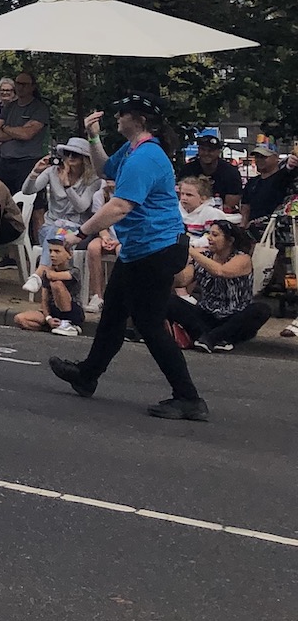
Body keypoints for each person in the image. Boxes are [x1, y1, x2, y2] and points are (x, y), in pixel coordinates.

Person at [50, 93, 207, 421]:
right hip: (140, 249)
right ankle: (87, 375)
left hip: (156, 249)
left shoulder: (146, 157)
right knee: (113, 314)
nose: (117, 118)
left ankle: (189, 398)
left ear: (140, 120)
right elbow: (105, 169)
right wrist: (93, 138)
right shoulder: (133, 150)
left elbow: (120, 206)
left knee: (149, 324)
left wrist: (80, 234)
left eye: (123, 114)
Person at [169, 217, 279, 353]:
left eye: (215, 235)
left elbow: (221, 271)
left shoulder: (242, 258)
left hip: (234, 316)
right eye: (209, 234)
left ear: (230, 240)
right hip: (207, 313)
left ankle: (211, 338)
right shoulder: (204, 257)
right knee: (169, 301)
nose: (209, 238)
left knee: (261, 309)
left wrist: (192, 251)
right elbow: (182, 281)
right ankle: (212, 339)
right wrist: (176, 261)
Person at [21, 138, 103, 294]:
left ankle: (39, 274)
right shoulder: (53, 171)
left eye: (75, 155)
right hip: (50, 227)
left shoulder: (93, 180)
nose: (70, 157)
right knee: (57, 228)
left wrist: (67, 185)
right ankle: (54, 281)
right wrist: (35, 172)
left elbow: (81, 206)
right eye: (67, 153)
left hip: (78, 231)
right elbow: (27, 191)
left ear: (85, 159)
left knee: (58, 229)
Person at [0, 70, 52, 193]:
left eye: (24, 84)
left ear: (32, 87)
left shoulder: (39, 108)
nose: (20, 87)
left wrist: (5, 128)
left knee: (30, 198)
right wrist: (18, 132)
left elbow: (27, 134)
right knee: (4, 197)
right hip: (6, 162)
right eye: (17, 83)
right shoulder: (9, 107)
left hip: (28, 162)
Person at [14, 242, 82, 336]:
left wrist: (44, 265)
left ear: (69, 255)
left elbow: (53, 276)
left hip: (72, 311)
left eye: (57, 251)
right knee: (20, 319)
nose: (52, 255)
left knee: (56, 284)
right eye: (50, 251)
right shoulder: (47, 273)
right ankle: (52, 326)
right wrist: (48, 318)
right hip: (53, 311)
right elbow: (44, 300)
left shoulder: (74, 271)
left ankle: (69, 323)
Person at [180, 130, 243, 214]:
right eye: (203, 149)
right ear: (198, 150)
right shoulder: (187, 169)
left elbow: (231, 203)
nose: (206, 153)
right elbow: (181, 196)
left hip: (220, 214)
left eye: (210, 150)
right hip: (190, 212)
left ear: (218, 152)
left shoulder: (230, 171)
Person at [241, 142, 296, 229]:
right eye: (257, 157)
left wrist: (290, 165)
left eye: (263, 157)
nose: (259, 160)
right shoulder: (252, 182)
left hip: (276, 228)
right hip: (253, 229)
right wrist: (243, 225)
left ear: (276, 157)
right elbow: (246, 205)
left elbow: (286, 173)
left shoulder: (284, 178)